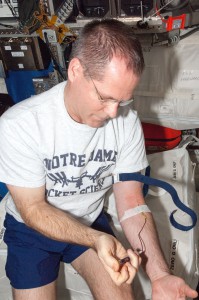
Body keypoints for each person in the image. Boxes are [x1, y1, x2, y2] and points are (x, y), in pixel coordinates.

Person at [0, 19, 197, 300]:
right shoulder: (20, 124)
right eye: (105, 98)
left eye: (123, 101)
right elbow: (32, 209)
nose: (114, 112)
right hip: (31, 228)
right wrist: (97, 239)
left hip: (89, 220)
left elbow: (131, 202)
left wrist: (160, 275)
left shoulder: (126, 121)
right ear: (76, 70)